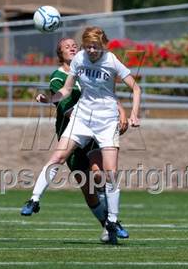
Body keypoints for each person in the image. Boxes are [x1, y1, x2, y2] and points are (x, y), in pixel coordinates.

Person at [27, 27, 140, 244]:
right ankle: (107, 225)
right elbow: (66, 104)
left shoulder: (96, 62)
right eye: (67, 46)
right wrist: (49, 98)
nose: (74, 48)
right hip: (77, 130)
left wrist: (124, 113)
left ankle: (112, 222)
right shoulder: (61, 76)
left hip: (99, 128)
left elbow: (110, 93)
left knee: (103, 174)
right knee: (87, 188)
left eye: (74, 45)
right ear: (61, 55)